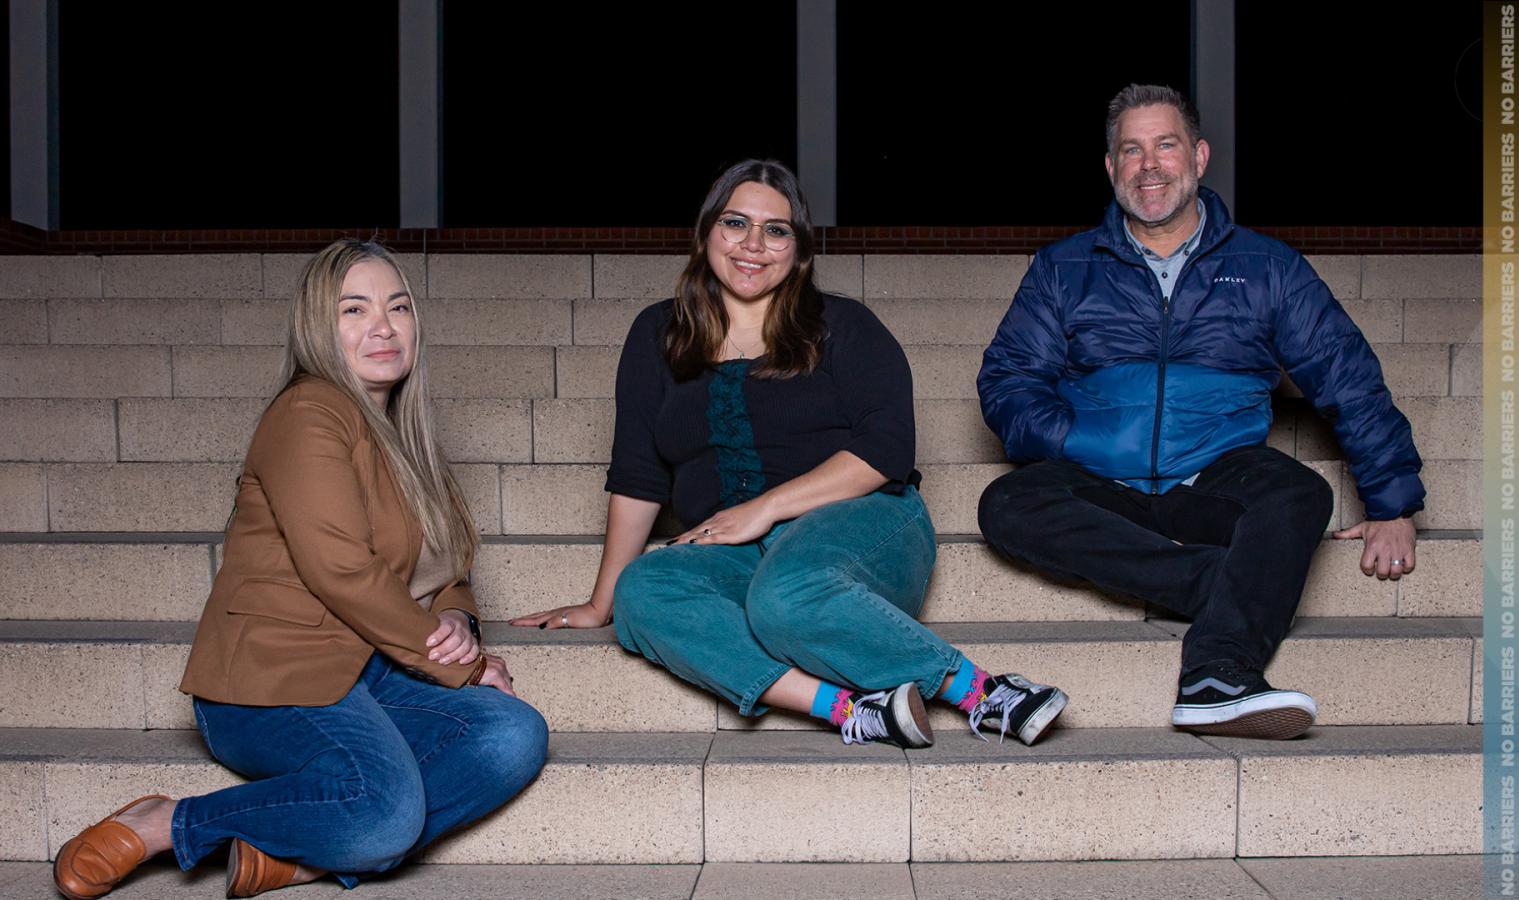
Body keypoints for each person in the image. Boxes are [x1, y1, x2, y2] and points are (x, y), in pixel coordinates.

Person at [512, 159, 1066, 749]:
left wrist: (768, 507)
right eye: (735, 223)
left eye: (776, 230)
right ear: (705, 234)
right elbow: (639, 474)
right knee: (643, 590)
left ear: (797, 249)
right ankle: (853, 710)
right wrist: (603, 601)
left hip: (863, 526)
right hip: (737, 554)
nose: (754, 245)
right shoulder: (658, 334)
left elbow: (887, 448)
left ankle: (985, 692)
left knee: (785, 595)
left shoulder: (844, 326)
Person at [53, 240, 547, 900]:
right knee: (383, 813)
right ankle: (169, 823)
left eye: (398, 307)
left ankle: (304, 855)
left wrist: (456, 615)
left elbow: (448, 562)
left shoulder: (405, 434)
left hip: (369, 666)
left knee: (513, 734)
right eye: (355, 309)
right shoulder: (308, 412)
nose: (383, 326)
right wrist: (466, 666)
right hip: (268, 678)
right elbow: (340, 569)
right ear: (319, 326)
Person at [976, 85, 1425, 741]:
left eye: (1165, 145)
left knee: (1299, 491)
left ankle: (1216, 677)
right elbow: (1010, 379)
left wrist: (1392, 504)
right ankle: (1231, 584)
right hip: (1099, 483)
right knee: (1006, 504)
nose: (1149, 165)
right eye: (1131, 150)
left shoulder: (1267, 268)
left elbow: (1344, 372)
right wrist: (1076, 435)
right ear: (1110, 167)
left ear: (1200, 155)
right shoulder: (1063, 267)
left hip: (1212, 478)